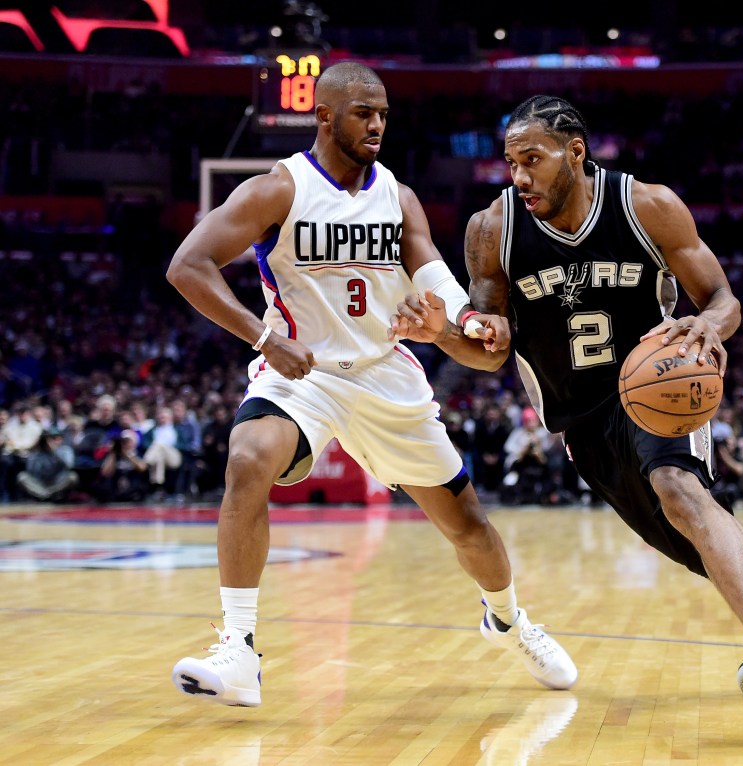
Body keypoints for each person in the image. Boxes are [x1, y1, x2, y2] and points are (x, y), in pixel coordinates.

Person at [447, 94, 743, 730]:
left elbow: (724, 299)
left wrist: (708, 326)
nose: (519, 175)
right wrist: (465, 332)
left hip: (661, 387)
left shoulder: (646, 206)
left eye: (532, 159)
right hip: (578, 420)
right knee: (705, 556)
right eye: (511, 162)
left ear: (575, 153)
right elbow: (489, 339)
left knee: (679, 488)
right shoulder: (491, 229)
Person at [165, 63, 576, 708]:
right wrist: (262, 336)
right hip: (304, 375)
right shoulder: (278, 189)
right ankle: (239, 650)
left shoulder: (399, 196)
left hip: (386, 375)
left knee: (468, 526)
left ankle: (509, 619)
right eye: (363, 112)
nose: (378, 124)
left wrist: (465, 321)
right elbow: (187, 265)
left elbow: (436, 280)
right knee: (247, 459)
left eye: (383, 112)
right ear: (325, 116)